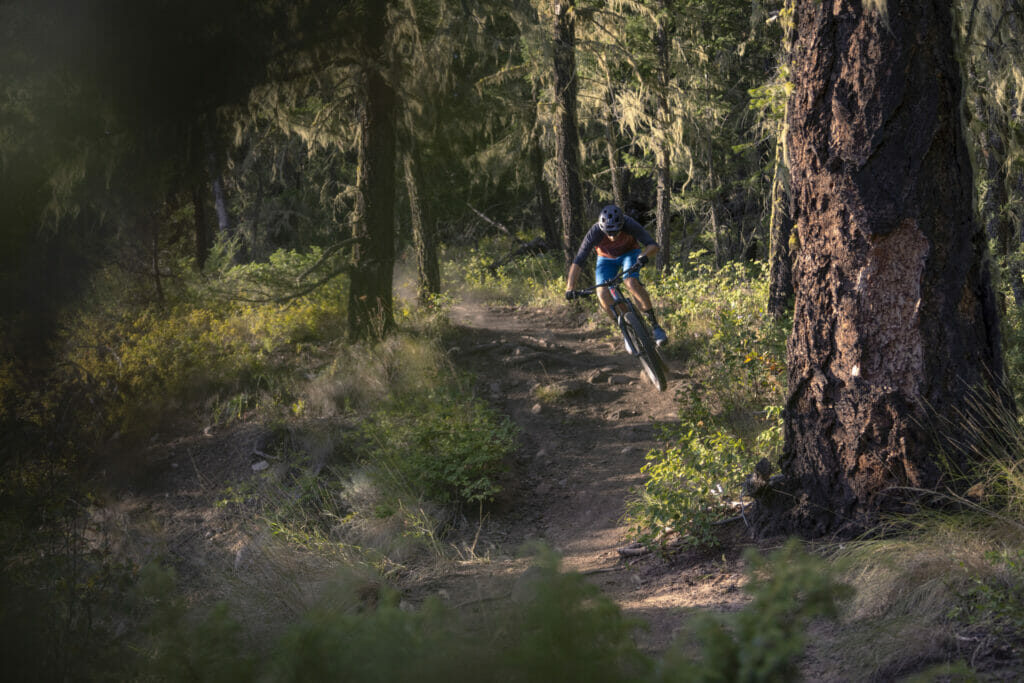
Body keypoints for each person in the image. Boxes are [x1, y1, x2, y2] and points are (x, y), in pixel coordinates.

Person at [565, 204, 668, 346]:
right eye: (609, 233)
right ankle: (627, 330)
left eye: (616, 232)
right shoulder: (594, 232)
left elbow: (653, 245)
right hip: (605, 259)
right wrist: (570, 287)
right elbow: (578, 261)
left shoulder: (629, 224)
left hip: (629, 254)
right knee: (601, 293)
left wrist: (644, 256)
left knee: (631, 282)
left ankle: (655, 326)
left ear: (622, 225)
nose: (612, 237)